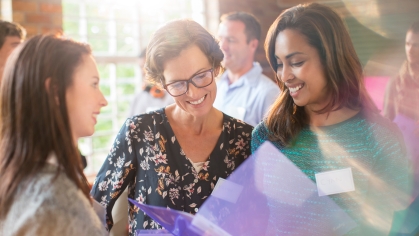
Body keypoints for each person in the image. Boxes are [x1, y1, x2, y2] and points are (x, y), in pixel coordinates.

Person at [252, 3, 410, 235]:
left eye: (296, 62)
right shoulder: (267, 136)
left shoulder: (380, 138)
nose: (284, 75)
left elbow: (395, 225)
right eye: (279, 64)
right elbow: (256, 219)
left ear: (331, 58)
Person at [91, 19, 253, 235]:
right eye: (178, 84)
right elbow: (94, 212)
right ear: (161, 84)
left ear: (215, 67)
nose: (194, 93)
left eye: (201, 76)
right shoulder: (139, 132)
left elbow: (257, 219)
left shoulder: (244, 139)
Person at [0, 35, 108, 235]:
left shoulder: (20, 177)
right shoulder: (53, 201)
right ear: (55, 91)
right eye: (94, 84)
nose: (103, 100)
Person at [214, 12, 280, 126]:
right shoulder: (216, 86)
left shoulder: (268, 94)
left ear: (253, 45)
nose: (222, 46)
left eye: (231, 40)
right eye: (220, 39)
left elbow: (274, 143)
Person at [383, 21, 419, 198]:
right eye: (408, 44)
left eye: (416, 45)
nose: (410, 49)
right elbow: (386, 122)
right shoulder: (396, 82)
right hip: (405, 166)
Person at [128, 49, 174, 117]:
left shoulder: (173, 95)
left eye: (146, 67)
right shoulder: (138, 97)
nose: (143, 72)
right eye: (141, 67)